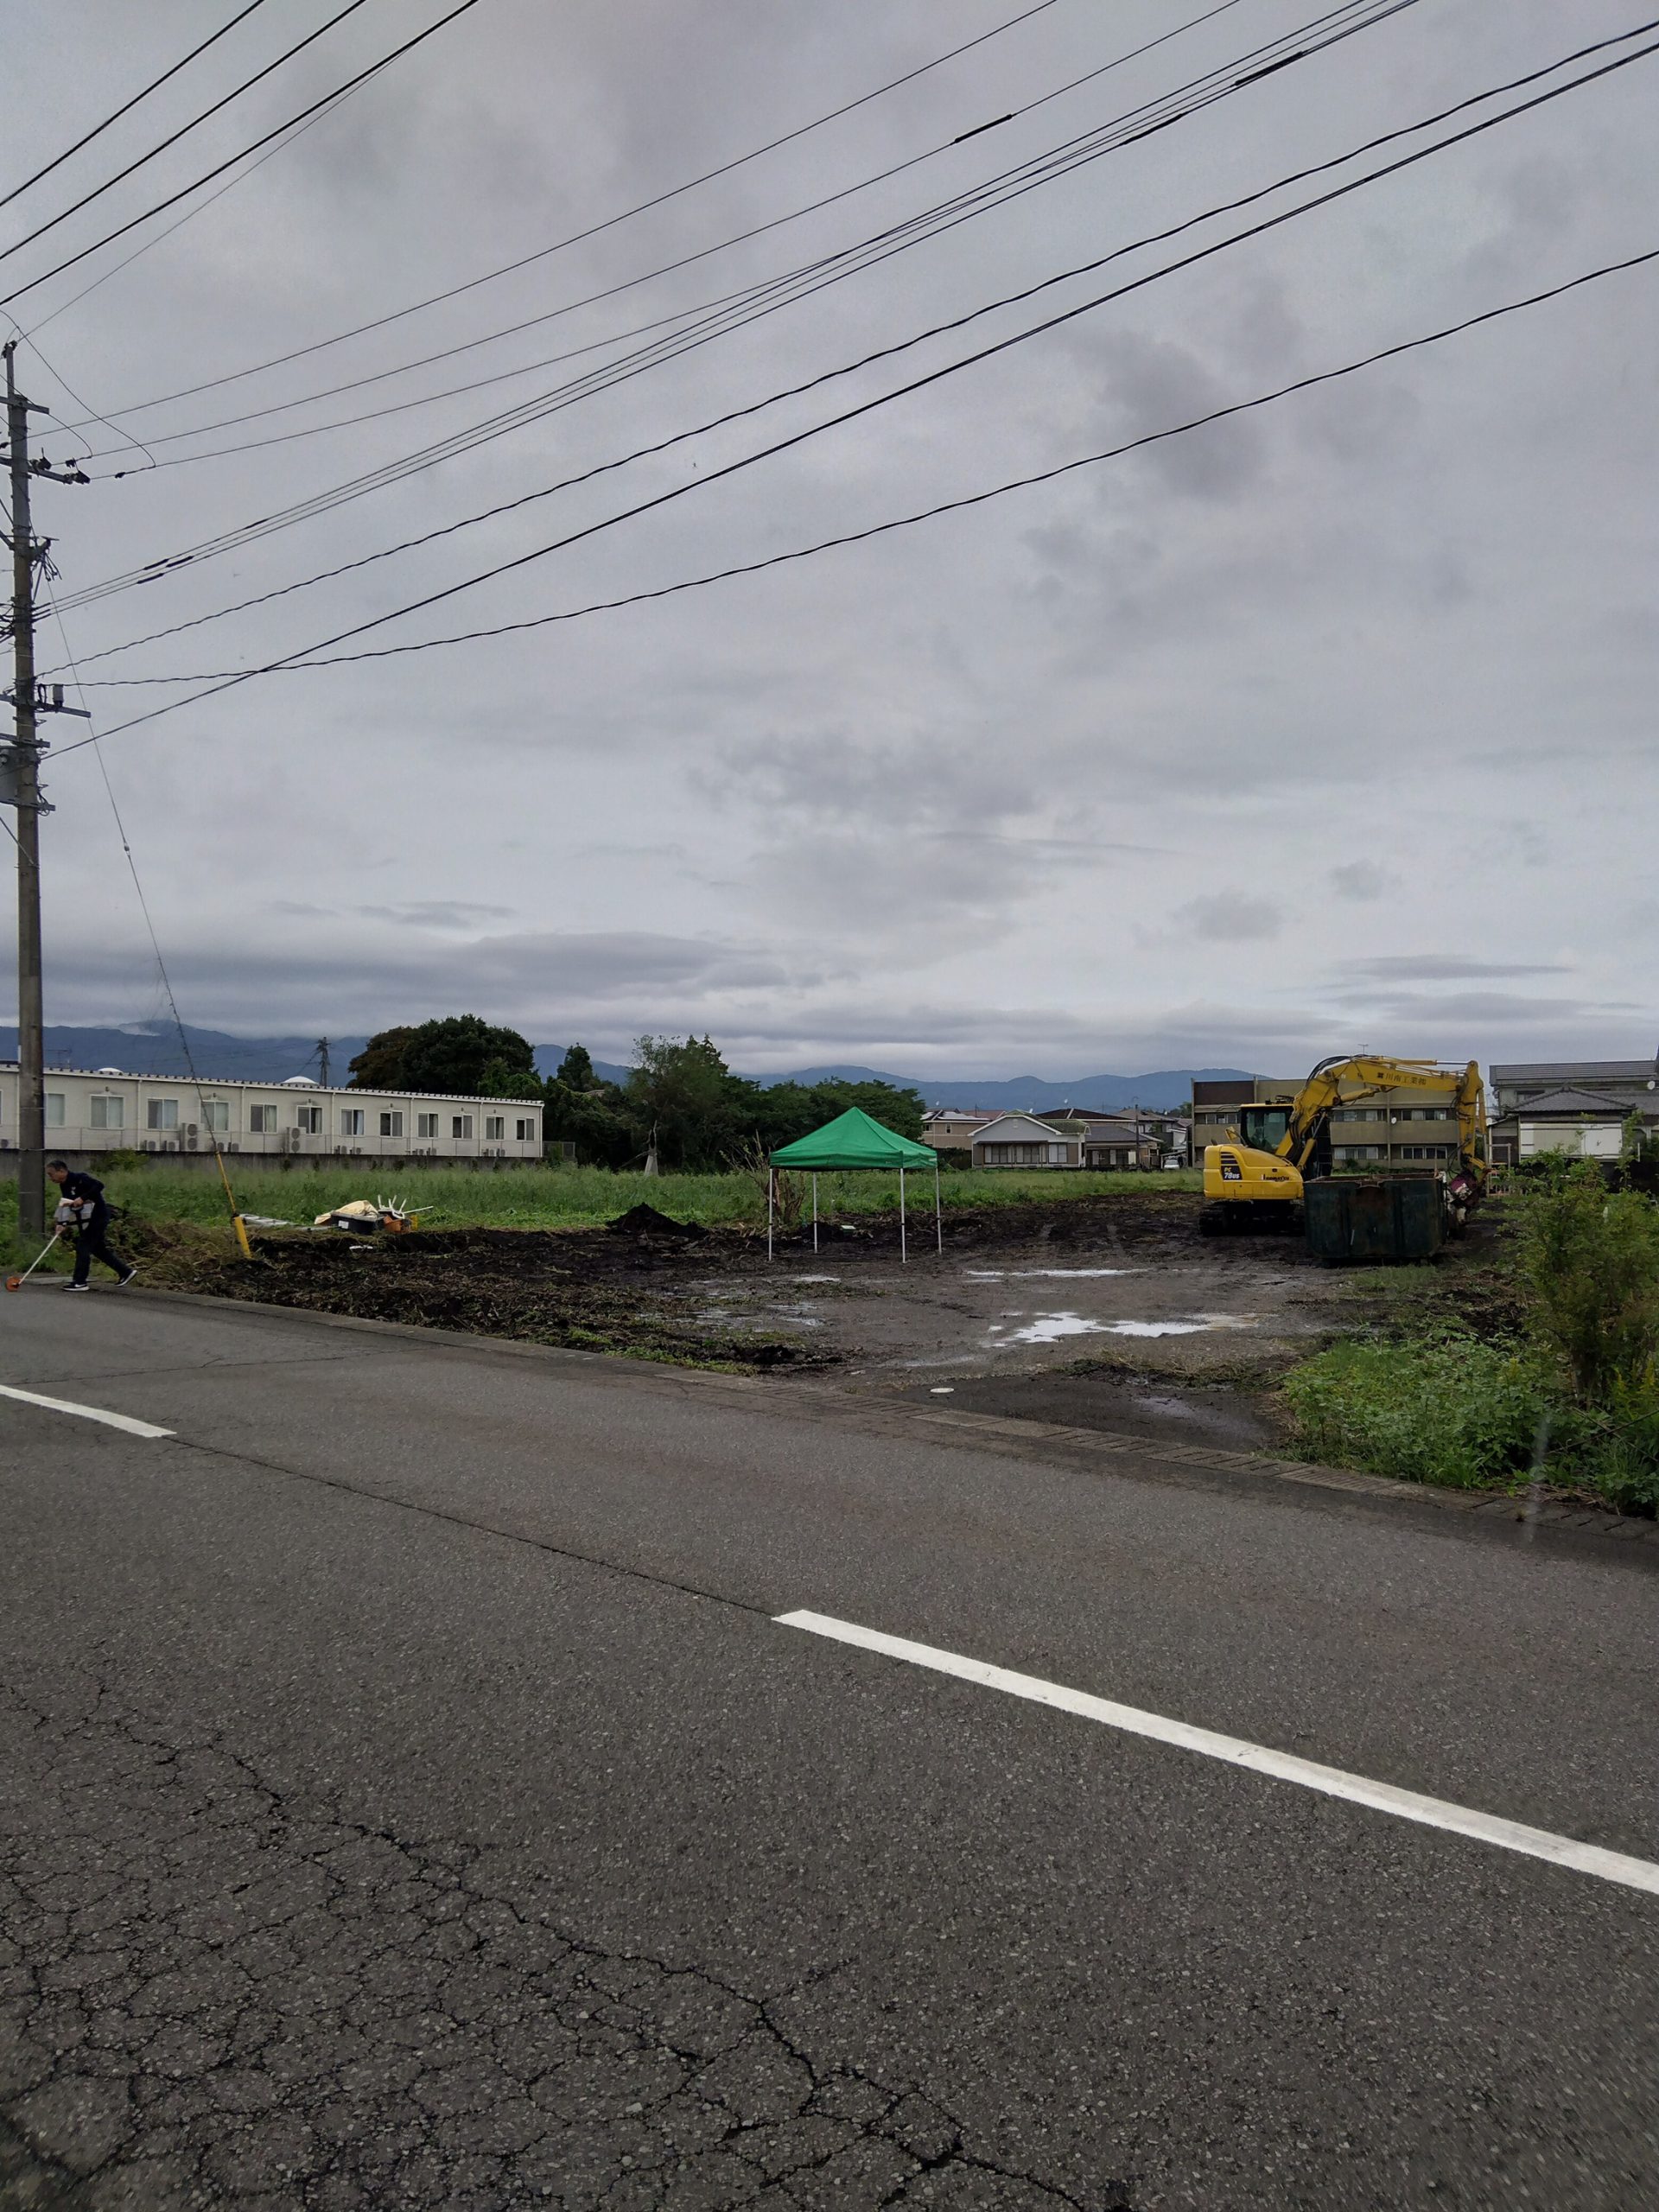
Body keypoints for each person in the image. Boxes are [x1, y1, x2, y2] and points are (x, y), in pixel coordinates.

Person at [46, 1160, 137, 1291]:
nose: (50, 1178)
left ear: (61, 1171)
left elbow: (99, 1185)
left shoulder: (79, 1178)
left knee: (83, 1245)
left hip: (98, 1215)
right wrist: (62, 1223)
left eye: (51, 1174)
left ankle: (80, 1282)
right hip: (86, 1219)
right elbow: (67, 1204)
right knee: (98, 1248)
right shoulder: (64, 1185)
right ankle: (125, 1272)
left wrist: (82, 1198)